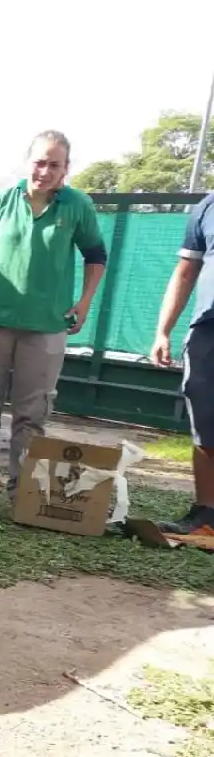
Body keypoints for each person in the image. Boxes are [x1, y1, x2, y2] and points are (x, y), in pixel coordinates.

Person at [0, 130, 108, 503]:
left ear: (66, 169)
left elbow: (96, 256)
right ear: (27, 162)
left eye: (55, 164)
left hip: (46, 326)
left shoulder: (78, 206)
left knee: (31, 414)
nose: (45, 171)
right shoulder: (0, 200)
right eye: (40, 162)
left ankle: (24, 490)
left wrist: (84, 303)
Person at [148, 190, 214, 534]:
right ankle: (206, 515)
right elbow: (186, 271)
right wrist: (163, 331)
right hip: (208, 328)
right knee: (205, 420)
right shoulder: (208, 205)